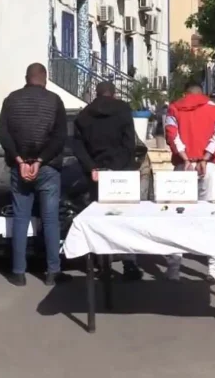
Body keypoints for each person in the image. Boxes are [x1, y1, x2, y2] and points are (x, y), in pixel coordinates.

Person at [0, 63, 67, 287]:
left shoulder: (11, 100)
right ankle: (53, 271)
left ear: (26, 78)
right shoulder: (55, 101)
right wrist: (39, 160)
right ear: (45, 78)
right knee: (50, 219)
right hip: (47, 168)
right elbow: (60, 138)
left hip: (19, 168)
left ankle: (18, 272)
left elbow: (3, 134)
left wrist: (19, 160)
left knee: (20, 218)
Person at [73, 81, 143, 281]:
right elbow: (129, 143)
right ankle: (129, 263)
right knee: (125, 219)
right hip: (122, 173)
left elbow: (78, 146)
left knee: (100, 220)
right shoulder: (123, 110)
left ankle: (103, 264)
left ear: (96, 94)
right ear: (113, 94)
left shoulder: (84, 115)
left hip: (95, 174)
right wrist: (115, 168)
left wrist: (92, 167)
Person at [164, 81, 215, 283]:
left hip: (183, 166)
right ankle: (214, 268)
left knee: (177, 217)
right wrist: (205, 158)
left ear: (186, 93)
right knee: (212, 215)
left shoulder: (174, 108)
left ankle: (174, 269)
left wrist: (185, 158)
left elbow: (172, 136)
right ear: (203, 93)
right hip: (208, 167)